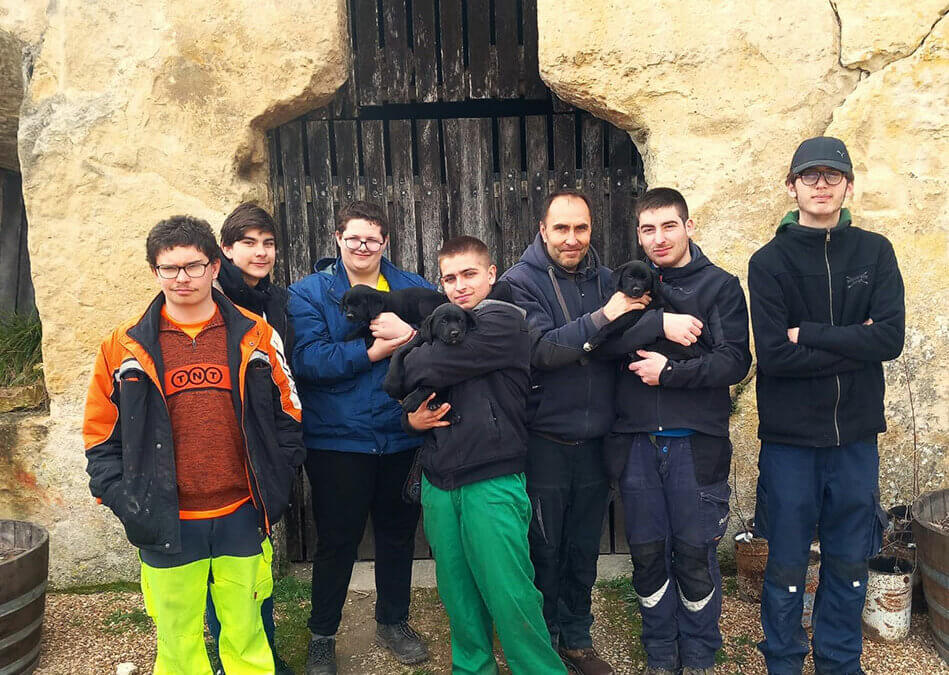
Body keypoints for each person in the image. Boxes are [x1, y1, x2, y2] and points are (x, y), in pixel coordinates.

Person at [83, 215, 305, 675]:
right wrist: (123, 499)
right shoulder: (122, 346)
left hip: (241, 512)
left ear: (214, 267)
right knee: (178, 642)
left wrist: (276, 483)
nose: (182, 278)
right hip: (166, 517)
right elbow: (99, 434)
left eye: (193, 266)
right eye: (170, 268)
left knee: (246, 634)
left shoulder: (256, 336)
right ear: (154, 271)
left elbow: (290, 415)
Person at [748, 137, 904, 675]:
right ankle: (784, 661)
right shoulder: (768, 261)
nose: (821, 184)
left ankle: (839, 661)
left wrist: (809, 335)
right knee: (788, 563)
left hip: (856, 437)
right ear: (791, 187)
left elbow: (889, 340)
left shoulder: (875, 252)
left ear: (848, 186)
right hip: (790, 440)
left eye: (831, 176)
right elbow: (773, 354)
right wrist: (850, 343)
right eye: (809, 176)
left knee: (849, 559)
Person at [390, 235, 567, 674]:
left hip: (492, 479)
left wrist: (414, 345)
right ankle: (472, 669)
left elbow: (422, 366)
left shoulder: (505, 322)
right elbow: (404, 385)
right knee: (458, 596)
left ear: (491, 274)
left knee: (511, 595)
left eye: (469, 274)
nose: (459, 286)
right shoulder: (444, 324)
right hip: (438, 478)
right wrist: (410, 421)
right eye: (449, 278)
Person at [600, 187, 751, 675]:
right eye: (648, 228)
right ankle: (661, 655)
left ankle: (700, 656)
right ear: (638, 234)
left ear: (688, 227)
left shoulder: (721, 286)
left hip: (696, 446)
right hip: (637, 444)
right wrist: (657, 322)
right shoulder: (626, 286)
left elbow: (735, 360)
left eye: (669, 226)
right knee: (646, 556)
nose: (659, 237)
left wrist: (670, 373)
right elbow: (602, 345)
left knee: (693, 554)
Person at [500, 189, 642, 675]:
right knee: (543, 546)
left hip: (597, 441)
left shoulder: (608, 279)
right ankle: (542, 641)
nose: (572, 238)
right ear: (543, 230)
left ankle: (577, 637)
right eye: (561, 228)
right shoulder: (518, 284)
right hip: (544, 442)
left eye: (580, 228)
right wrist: (603, 320)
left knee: (583, 546)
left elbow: (624, 339)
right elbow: (541, 351)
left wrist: (593, 336)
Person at [288, 201, 432, 675]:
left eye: (372, 239)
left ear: (385, 242)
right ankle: (323, 634)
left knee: (397, 536)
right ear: (337, 239)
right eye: (353, 239)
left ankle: (393, 621)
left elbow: (442, 344)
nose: (363, 247)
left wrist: (409, 336)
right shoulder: (309, 295)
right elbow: (308, 361)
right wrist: (375, 350)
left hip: (401, 435)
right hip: (338, 440)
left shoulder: (414, 288)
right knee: (337, 540)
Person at [205, 202, 294, 674]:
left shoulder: (275, 301)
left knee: (255, 565)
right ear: (226, 249)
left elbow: (286, 378)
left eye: (268, 243)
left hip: (265, 445)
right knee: (225, 570)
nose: (261, 252)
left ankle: (262, 653)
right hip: (226, 447)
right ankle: (230, 658)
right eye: (249, 243)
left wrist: (286, 448)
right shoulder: (215, 299)